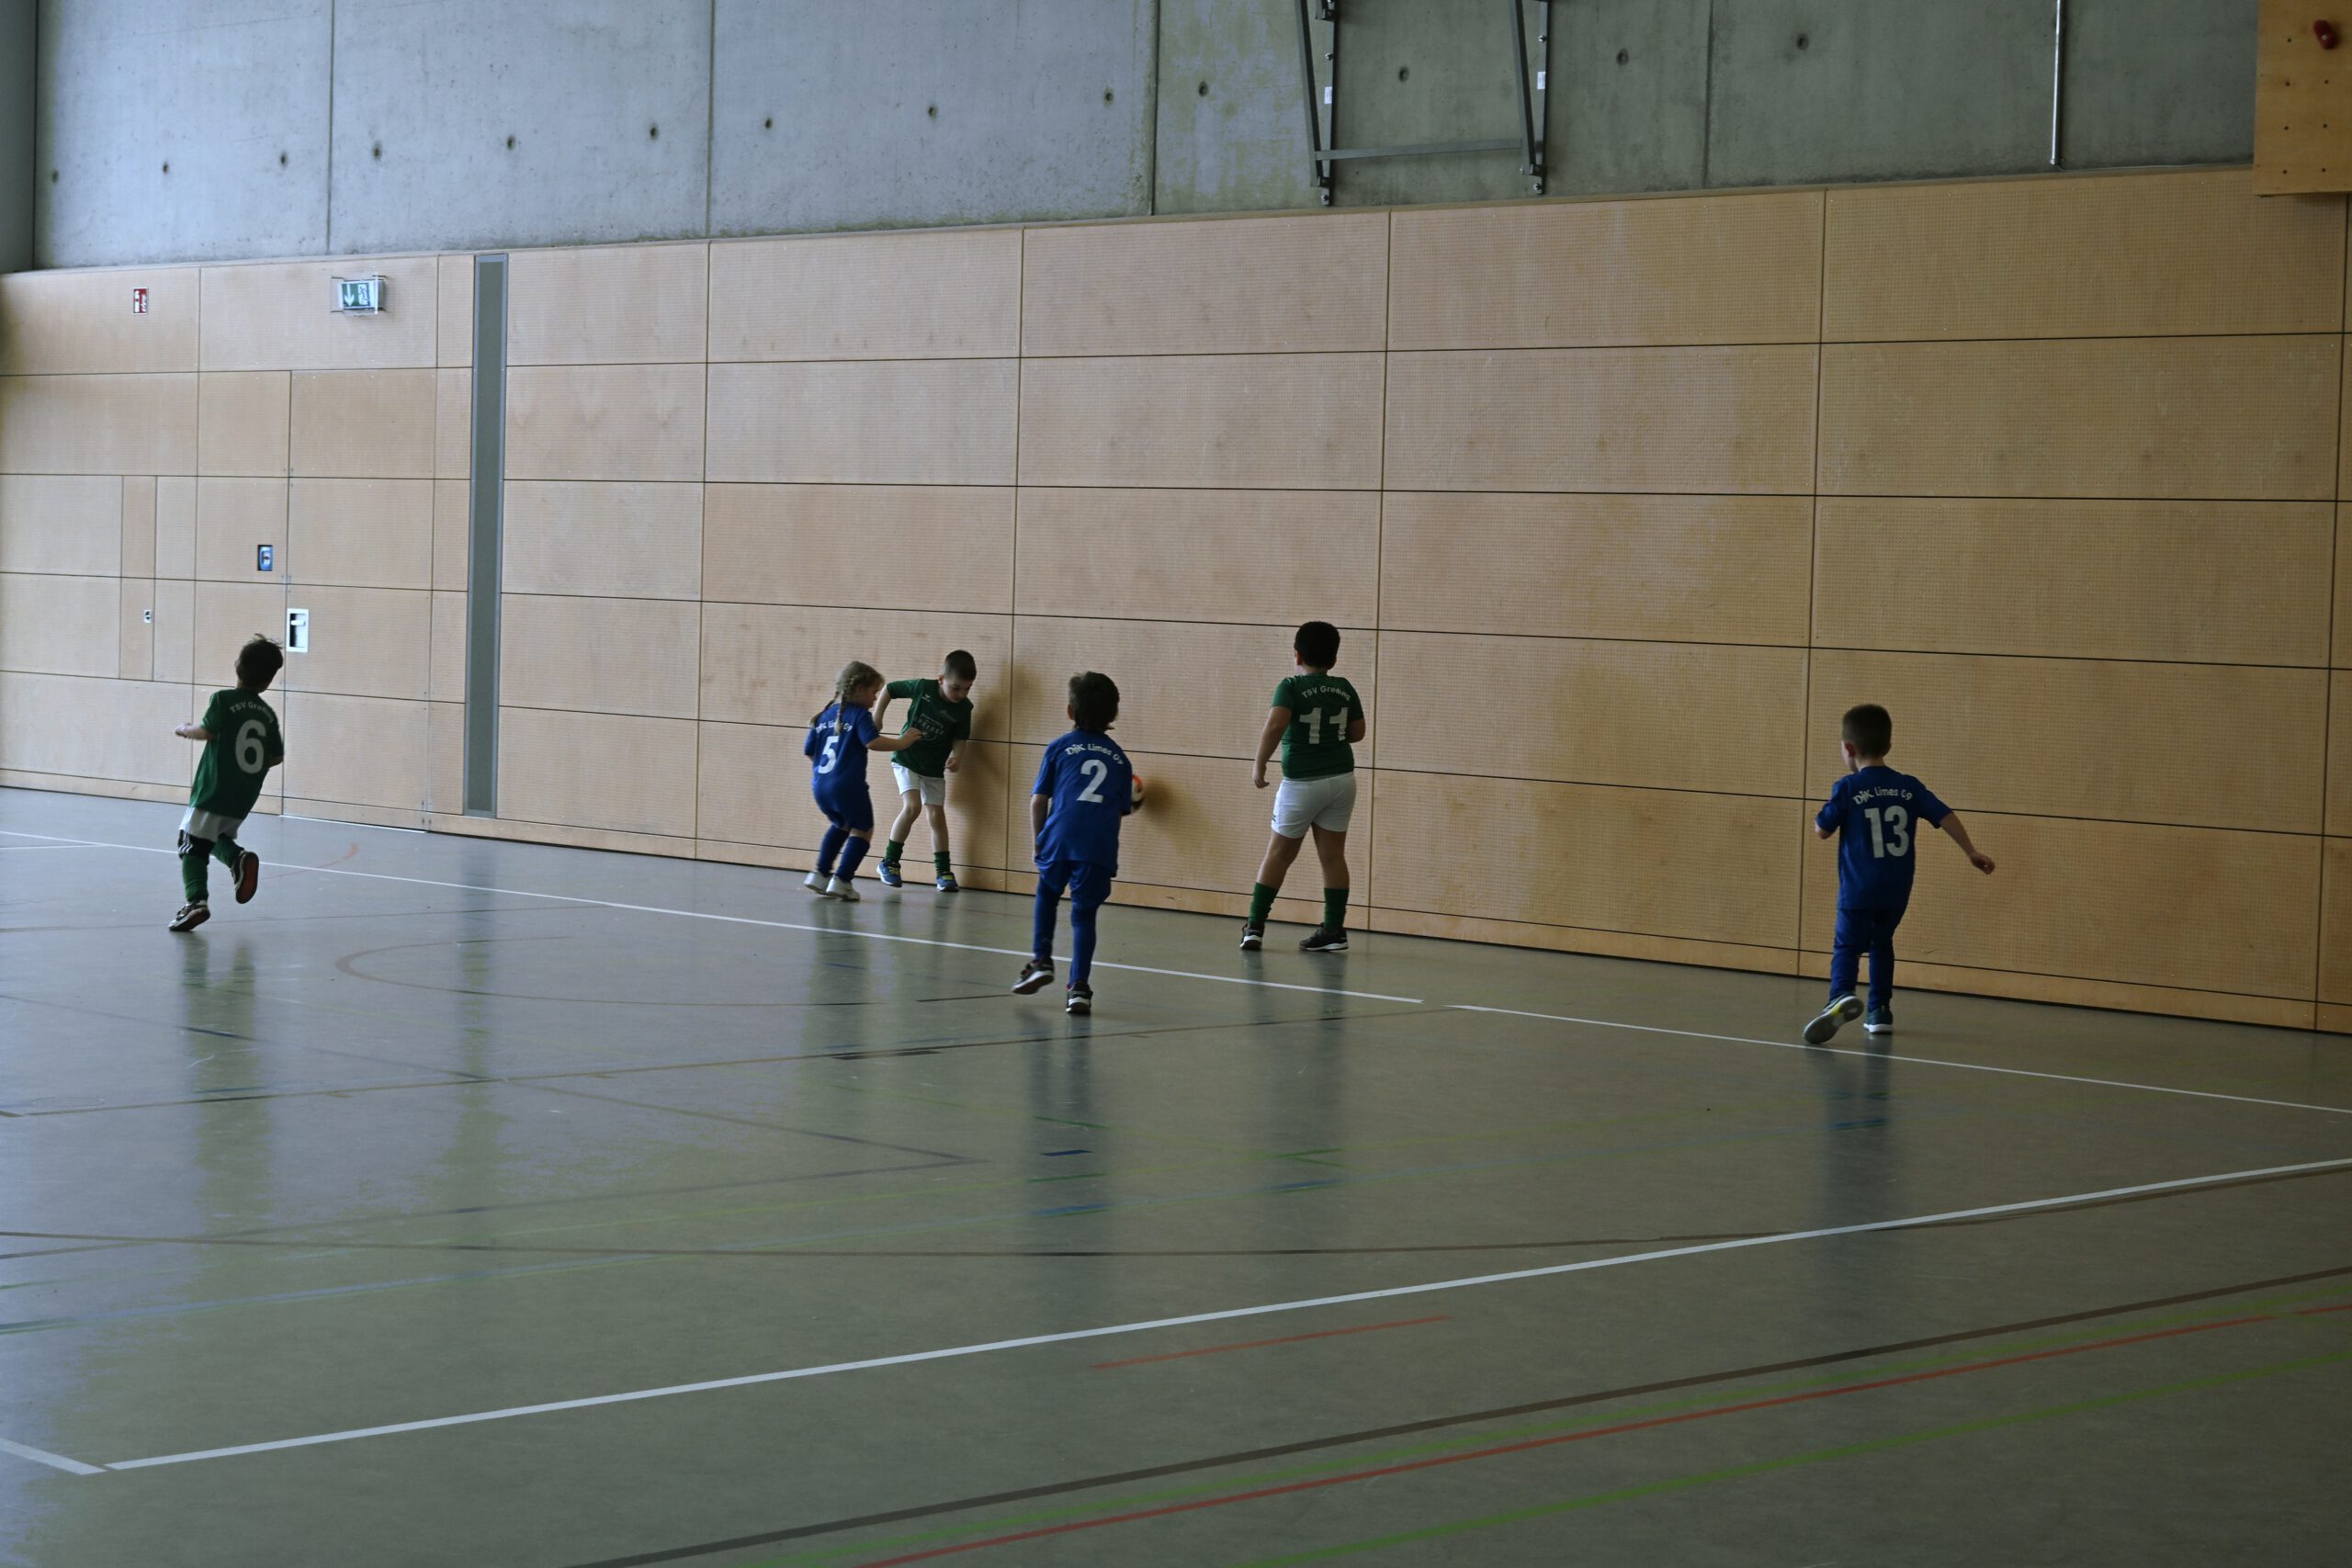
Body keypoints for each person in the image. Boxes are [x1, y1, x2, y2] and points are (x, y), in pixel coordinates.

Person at [1804, 703, 1995, 1043]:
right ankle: (1879, 1011)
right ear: (1888, 746)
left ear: (1848, 748)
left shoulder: (1848, 788)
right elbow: (1945, 815)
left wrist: (1825, 816)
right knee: (1881, 943)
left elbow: (1822, 830)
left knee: (1847, 944)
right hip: (1897, 889)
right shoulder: (1909, 787)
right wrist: (1970, 850)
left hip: (1859, 888)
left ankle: (1840, 995)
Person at [1011, 671, 1133, 1016]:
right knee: (1084, 915)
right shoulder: (1121, 760)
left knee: (1047, 892)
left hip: (1060, 835)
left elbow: (1038, 800)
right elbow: (1118, 811)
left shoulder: (1059, 747)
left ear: (1069, 710)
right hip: (1098, 845)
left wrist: (1038, 841)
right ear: (1113, 714)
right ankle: (1079, 987)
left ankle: (1041, 959)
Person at [1240, 620, 1364, 953]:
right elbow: (1357, 733)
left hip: (1301, 783)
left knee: (1279, 854)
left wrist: (1259, 762)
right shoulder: (1345, 688)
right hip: (1342, 780)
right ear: (1334, 658)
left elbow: (1275, 724)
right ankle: (1334, 930)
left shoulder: (1290, 686)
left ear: (1297, 655)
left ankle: (1254, 926)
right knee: (1333, 857)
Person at [168, 634, 286, 932]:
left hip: (214, 788)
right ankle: (237, 859)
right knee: (213, 835)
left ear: (238, 666)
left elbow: (206, 731)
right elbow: (276, 758)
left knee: (191, 842)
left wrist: (184, 729)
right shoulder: (268, 715)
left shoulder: (223, 699)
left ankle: (196, 901)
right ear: (269, 680)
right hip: (243, 796)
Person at [802, 660, 926, 902]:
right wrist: (902, 742)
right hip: (848, 786)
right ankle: (842, 881)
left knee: (840, 824)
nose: (875, 698)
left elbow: (809, 751)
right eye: (873, 692)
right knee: (863, 830)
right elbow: (872, 741)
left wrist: (827, 774)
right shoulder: (860, 715)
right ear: (859, 689)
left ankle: (819, 874)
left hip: (820, 786)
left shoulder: (824, 715)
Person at [873, 649, 977, 892]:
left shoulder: (964, 708)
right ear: (941, 679)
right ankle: (889, 862)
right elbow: (889, 689)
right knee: (912, 807)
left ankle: (943, 871)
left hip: (933, 768)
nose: (961, 694)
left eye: (967, 689)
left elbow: (960, 737)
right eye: (956, 688)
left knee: (936, 817)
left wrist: (957, 757)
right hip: (907, 759)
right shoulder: (923, 688)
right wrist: (877, 717)